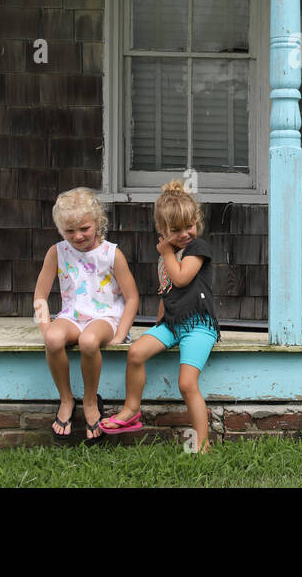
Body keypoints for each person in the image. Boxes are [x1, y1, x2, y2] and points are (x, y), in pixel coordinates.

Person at [101, 179, 220, 452]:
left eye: (188, 226)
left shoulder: (197, 249)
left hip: (199, 326)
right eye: (175, 230)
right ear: (161, 230)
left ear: (196, 221)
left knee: (186, 383)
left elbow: (180, 279)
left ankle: (202, 444)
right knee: (136, 352)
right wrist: (158, 325)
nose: (184, 234)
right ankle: (131, 409)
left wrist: (166, 251)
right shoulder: (166, 256)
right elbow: (166, 292)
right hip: (172, 324)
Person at [35, 187, 139, 444]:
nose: (78, 236)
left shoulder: (111, 253)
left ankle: (91, 401)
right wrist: (46, 328)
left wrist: (122, 334)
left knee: (89, 342)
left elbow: (132, 297)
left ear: (97, 222)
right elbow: (40, 296)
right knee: (54, 340)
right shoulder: (57, 252)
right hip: (72, 315)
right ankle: (67, 399)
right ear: (61, 230)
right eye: (70, 231)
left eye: (84, 228)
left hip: (105, 318)